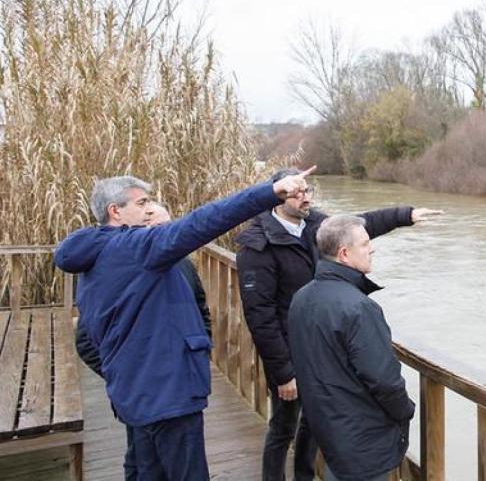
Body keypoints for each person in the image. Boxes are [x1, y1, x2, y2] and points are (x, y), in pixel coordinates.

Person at [56, 168, 315, 481]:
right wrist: (270, 191)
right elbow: (206, 220)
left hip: (134, 391)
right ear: (116, 211)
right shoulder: (136, 248)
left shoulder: (95, 256)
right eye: (141, 203)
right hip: (167, 395)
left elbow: (93, 332)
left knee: (144, 470)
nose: (149, 208)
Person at [236, 168, 441, 481]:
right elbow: (260, 314)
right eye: (297, 192)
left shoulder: (316, 226)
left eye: (308, 191)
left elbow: (359, 225)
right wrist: (283, 371)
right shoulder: (257, 244)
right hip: (294, 353)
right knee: (283, 427)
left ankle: (305, 475)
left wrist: (405, 214)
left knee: (315, 423)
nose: (305, 197)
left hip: (325, 342)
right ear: (277, 196)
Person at [73, 202, 211, 481]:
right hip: (140, 392)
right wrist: (125, 370)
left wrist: (198, 353)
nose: (168, 235)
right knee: (141, 464)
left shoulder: (183, 264)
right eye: (159, 228)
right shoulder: (119, 269)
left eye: (171, 227)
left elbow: (200, 309)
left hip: (180, 389)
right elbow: (86, 341)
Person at [288, 215, 414, 481]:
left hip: (328, 426)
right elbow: (384, 379)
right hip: (362, 436)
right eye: (366, 243)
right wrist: (406, 411)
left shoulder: (301, 297)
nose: (372, 248)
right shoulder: (358, 307)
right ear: (344, 254)